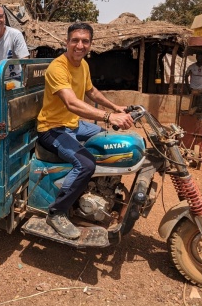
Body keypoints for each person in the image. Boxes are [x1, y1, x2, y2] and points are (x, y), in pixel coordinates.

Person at [36, 22, 134, 240]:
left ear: (90, 44)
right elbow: (71, 103)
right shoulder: (57, 68)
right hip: (52, 129)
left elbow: (91, 91)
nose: (80, 45)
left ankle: (103, 187)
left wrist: (114, 107)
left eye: (85, 41)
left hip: (73, 124)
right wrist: (110, 116)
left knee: (106, 140)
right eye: (75, 40)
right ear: (66, 42)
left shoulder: (83, 66)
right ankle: (57, 212)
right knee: (86, 164)